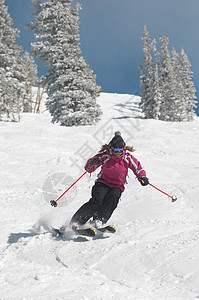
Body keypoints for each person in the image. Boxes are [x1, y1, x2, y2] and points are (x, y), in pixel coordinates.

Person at [69, 131, 149, 229]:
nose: (117, 152)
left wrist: (142, 177)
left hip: (117, 186)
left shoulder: (127, 158)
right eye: (115, 149)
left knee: (113, 198)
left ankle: (99, 220)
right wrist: (93, 162)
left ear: (123, 149)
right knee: (97, 200)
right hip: (102, 182)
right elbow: (88, 168)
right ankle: (77, 221)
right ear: (111, 148)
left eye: (120, 150)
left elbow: (138, 168)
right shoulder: (105, 156)